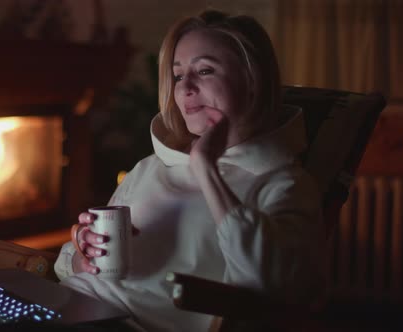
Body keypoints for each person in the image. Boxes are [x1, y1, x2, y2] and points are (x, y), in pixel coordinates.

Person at [54, 9, 326, 332]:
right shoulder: (151, 167)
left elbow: (270, 290)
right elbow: (65, 263)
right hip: (71, 305)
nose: (184, 89)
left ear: (253, 81)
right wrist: (82, 254)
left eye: (205, 70)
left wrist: (207, 170)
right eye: (179, 75)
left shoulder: (284, 184)